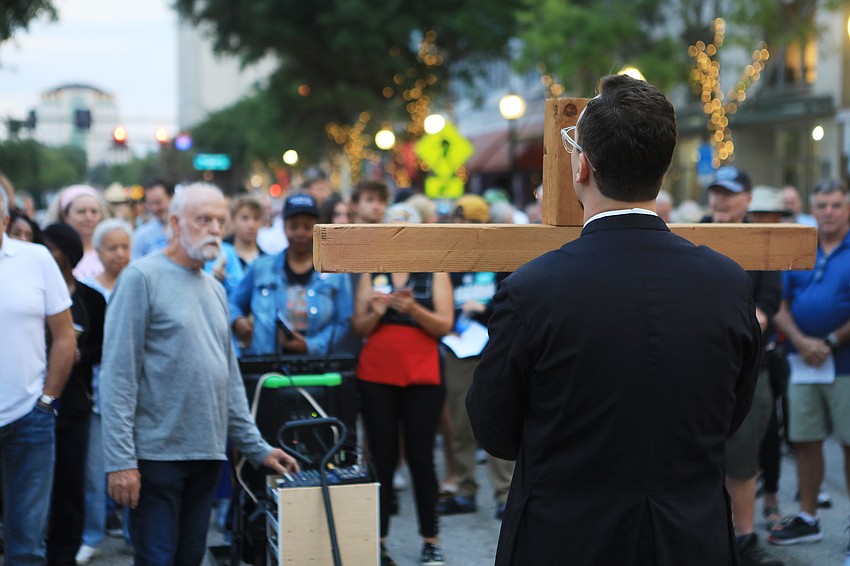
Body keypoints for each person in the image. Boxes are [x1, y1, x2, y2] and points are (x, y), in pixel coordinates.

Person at [466, 74, 762, 566]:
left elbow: (494, 428)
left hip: (566, 538)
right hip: (688, 538)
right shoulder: (727, 282)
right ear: (662, 168)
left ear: (582, 165)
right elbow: (730, 413)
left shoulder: (532, 289)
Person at [99, 183, 299, 565]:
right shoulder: (141, 278)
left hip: (206, 453)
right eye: (203, 219)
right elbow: (118, 376)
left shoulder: (215, 289)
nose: (214, 229)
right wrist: (121, 461)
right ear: (175, 223)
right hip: (156, 457)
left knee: (190, 558)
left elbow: (229, 378)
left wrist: (256, 447)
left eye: (220, 221)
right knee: (157, 560)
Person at [351, 204, 454, 566]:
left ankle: (431, 539)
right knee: (381, 459)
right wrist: (378, 313)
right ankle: (377, 542)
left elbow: (444, 325)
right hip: (377, 372)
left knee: (421, 458)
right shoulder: (372, 269)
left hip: (422, 372)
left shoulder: (434, 269)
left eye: (406, 229)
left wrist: (412, 310)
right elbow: (358, 327)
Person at [704, 168, 784, 566]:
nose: (720, 200)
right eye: (716, 192)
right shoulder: (688, 233)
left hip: (746, 368)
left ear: (748, 199)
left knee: (741, 460)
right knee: (695, 458)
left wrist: (734, 327)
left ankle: (744, 540)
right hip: (695, 368)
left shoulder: (761, 238)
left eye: (730, 193)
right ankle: (704, 539)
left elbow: (768, 304)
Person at [769, 180, 850, 551]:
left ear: (847, 208)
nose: (828, 212)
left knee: (849, 444)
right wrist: (801, 341)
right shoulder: (801, 245)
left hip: (845, 365)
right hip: (802, 362)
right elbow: (779, 303)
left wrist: (831, 341)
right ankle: (808, 518)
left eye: (836, 205)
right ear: (811, 209)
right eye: (822, 205)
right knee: (805, 440)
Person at [0, 188, 77, 565]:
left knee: (28, 546)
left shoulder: (36, 258)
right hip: (30, 418)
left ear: (4, 220)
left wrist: (47, 399)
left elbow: (65, 335)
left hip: (28, 418)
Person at [438, 196, 513, 520]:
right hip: (458, 350)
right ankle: (465, 489)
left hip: (493, 347)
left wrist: (484, 309)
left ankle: (505, 494)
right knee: (460, 423)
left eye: (468, 222)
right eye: (458, 222)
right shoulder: (449, 258)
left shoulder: (501, 257)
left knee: (499, 420)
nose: (462, 228)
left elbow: (513, 299)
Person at [40, 223, 108, 566]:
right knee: (34, 482)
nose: (43, 253)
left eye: (50, 248)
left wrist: (79, 354)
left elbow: (104, 345)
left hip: (75, 401)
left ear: (67, 254)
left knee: (71, 480)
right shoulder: (33, 290)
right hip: (33, 399)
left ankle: (65, 553)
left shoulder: (91, 298)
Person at [230, 193, 353, 357]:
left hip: (316, 366)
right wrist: (238, 321)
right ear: (284, 227)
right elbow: (233, 304)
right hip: (267, 364)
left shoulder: (335, 272)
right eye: (294, 227)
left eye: (307, 227)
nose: (300, 234)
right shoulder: (261, 268)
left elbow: (344, 321)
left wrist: (310, 345)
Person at [76, 219, 134, 564]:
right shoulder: (86, 291)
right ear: (98, 251)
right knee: (94, 471)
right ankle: (92, 535)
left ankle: (134, 532)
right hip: (97, 393)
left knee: (136, 465)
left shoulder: (139, 283)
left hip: (135, 393)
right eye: (112, 248)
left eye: (125, 246)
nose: (119, 254)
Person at [45, 185, 111, 280]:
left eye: (94, 211)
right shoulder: (54, 254)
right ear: (64, 215)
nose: (88, 217)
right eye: (81, 212)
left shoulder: (112, 250)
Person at [206, 194, 265, 294]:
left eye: (256, 218)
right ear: (232, 220)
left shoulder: (267, 259)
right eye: (245, 218)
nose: (251, 225)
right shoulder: (220, 252)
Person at [132, 179, 173, 259]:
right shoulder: (142, 235)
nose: (154, 209)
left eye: (158, 202)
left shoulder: (187, 228)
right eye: (150, 204)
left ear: (171, 197)